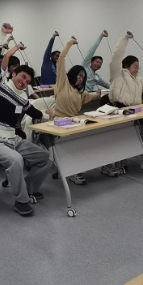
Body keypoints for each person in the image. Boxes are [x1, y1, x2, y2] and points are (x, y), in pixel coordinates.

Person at [0, 24, 52, 217]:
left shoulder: (22, 98)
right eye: (22, 77)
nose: (24, 82)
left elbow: (34, 112)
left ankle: (28, 188)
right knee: (17, 160)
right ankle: (21, 201)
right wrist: (2, 34)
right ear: (13, 74)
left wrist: (49, 115)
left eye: (28, 81)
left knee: (45, 158)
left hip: (14, 140)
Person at [109, 32, 143, 174]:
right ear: (126, 65)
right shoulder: (118, 74)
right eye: (135, 66)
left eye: (138, 67)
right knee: (138, 137)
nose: (137, 69)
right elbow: (116, 57)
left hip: (136, 113)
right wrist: (125, 39)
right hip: (121, 112)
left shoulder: (137, 79)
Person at [53, 37, 101, 185]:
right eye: (79, 75)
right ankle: (71, 171)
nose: (80, 79)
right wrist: (70, 43)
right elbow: (61, 60)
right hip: (59, 121)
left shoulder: (80, 93)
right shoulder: (63, 83)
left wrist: (98, 94)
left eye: (83, 77)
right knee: (71, 145)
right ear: (73, 73)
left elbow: (90, 96)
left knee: (82, 142)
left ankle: (73, 168)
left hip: (73, 121)